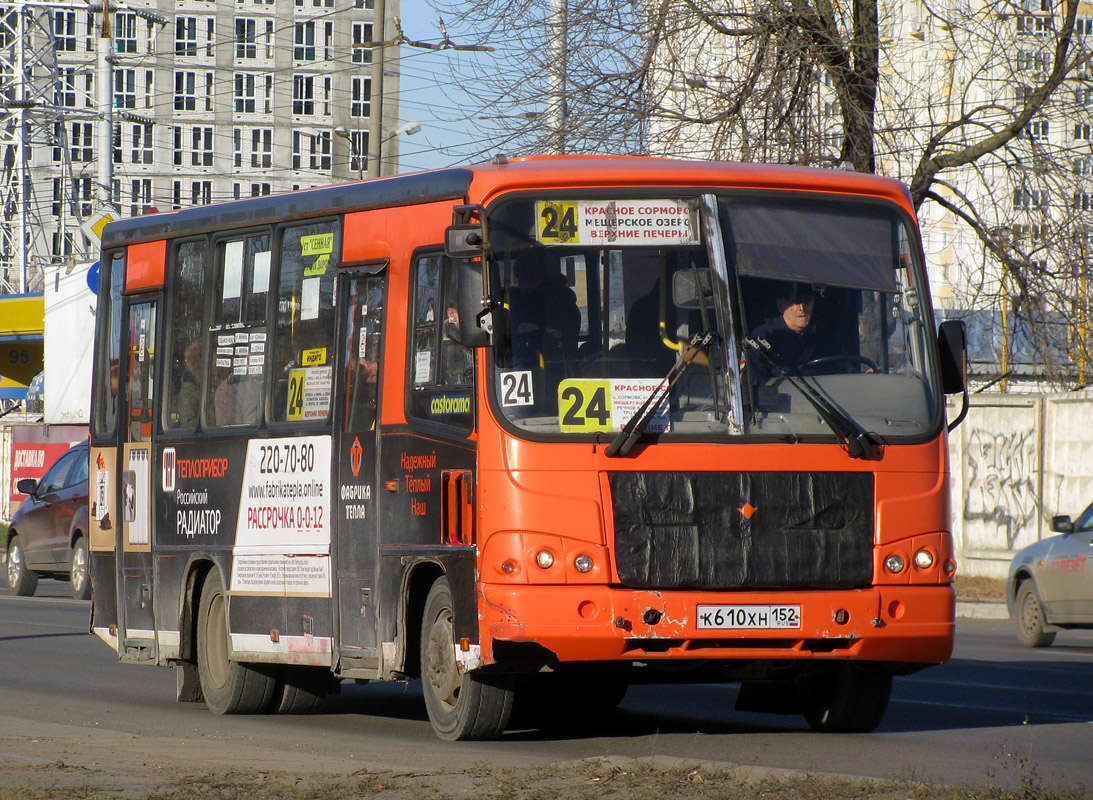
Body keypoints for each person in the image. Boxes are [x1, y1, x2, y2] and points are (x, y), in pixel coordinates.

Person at [748, 283, 844, 377]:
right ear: (780, 305)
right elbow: (753, 382)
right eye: (796, 302)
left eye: (806, 302)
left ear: (813, 304)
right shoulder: (763, 338)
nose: (801, 309)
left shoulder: (827, 338)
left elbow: (847, 372)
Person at [507, 249, 580, 371]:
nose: (523, 276)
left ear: (545, 274)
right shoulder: (510, 302)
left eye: (529, 271)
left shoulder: (561, 303)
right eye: (519, 272)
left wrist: (534, 331)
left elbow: (562, 344)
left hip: (554, 369)